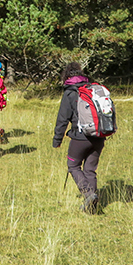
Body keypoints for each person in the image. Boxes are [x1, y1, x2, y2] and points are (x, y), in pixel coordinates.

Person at [53, 62, 104, 213]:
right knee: (90, 169)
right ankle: (92, 206)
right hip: (99, 135)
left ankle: (89, 195)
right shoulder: (92, 88)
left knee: (73, 166)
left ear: (66, 76)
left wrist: (57, 140)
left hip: (80, 137)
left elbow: (62, 119)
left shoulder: (69, 93)